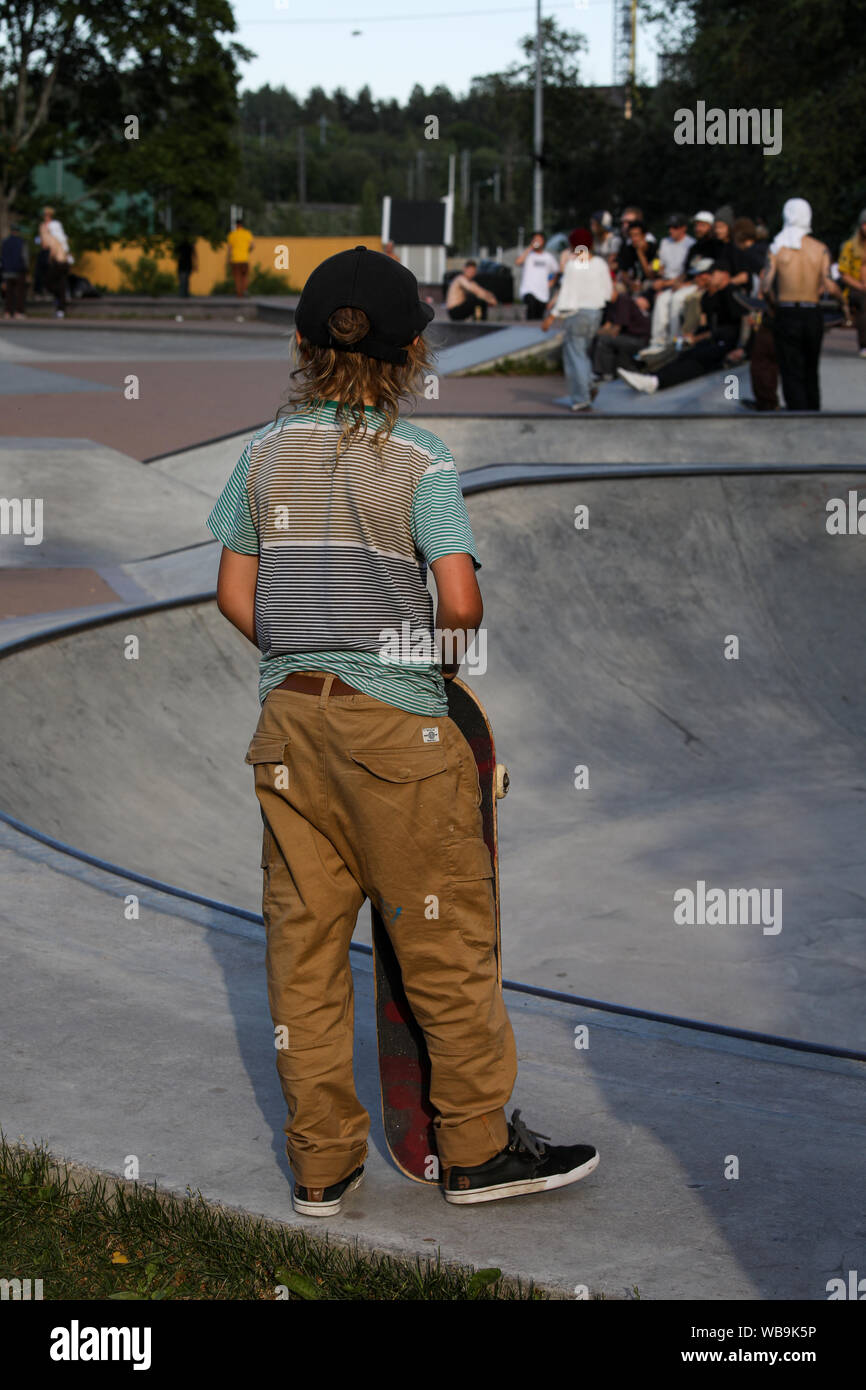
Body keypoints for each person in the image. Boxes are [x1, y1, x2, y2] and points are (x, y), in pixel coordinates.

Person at [206, 246, 599, 1212]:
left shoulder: (258, 455)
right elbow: (459, 602)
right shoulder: (420, 462)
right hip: (400, 737)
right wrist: (399, 647)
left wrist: (312, 648)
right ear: (416, 353)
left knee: (303, 950)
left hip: (289, 726)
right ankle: (474, 1150)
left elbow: (230, 592)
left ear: (301, 343)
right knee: (444, 948)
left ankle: (321, 1166)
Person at [763, 197, 842, 411]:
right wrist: (843, 303)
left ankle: (797, 412)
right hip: (812, 312)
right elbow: (829, 284)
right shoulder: (820, 249)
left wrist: (773, 303)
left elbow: (765, 285)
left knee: (790, 369)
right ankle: (813, 410)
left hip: (786, 311)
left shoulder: (778, 248)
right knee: (810, 367)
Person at [618, 260, 744, 393]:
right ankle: (653, 377)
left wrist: (743, 348)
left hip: (727, 342)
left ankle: (656, 381)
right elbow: (706, 324)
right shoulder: (709, 296)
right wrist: (694, 336)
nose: (710, 277)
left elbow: (743, 322)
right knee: (686, 353)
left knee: (699, 357)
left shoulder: (732, 292)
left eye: (713, 273)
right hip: (715, 338)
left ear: (725, 274)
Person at [541, 227, 614, 412]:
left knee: (574, 355)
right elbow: (608, 294)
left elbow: (567, 293)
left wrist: (552, 316)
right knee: (582, 352)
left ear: (575, 245)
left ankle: (582, 397)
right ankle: (588, 383)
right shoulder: (600, 264)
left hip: (577, 314)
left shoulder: (575, 265)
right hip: (596, 314)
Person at [637, 213, 697, 354]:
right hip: (666, 283)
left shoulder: (690, 244)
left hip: (683, 283)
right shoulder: (665, 242)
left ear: (683, 228)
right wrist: (657, 270)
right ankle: (657, 342)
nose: (671, 231)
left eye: (675, 227)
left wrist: (667, 283)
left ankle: (673, 340)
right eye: (670, 227)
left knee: (675, 302)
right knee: (661, 302)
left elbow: (688, 271)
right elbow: (659, 262)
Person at [592, 287, 650, 378]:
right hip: (627, 336)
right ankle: (598, 372)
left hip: (638, 338)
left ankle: (606, 373)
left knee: (604, 340)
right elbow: (607, 326)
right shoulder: (610, 304)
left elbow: (616, 330)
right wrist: (594, 333)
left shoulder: (623, 300)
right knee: (596, 338)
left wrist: (602, 332)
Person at [837, 209, 866, 357]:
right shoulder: (850, 246)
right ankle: (864, 344)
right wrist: (861, 286)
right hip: (856, 288)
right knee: (863, 300)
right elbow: (844, 274)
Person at [514, 231, 559, 320]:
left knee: (538, 318)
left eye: (539, 240)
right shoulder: (528, 255)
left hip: (542, 293)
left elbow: (556, 271)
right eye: (535, 240)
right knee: (531, 309)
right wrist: (530, 248)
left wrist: (552, 281)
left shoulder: (548, 257)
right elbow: (518, 262)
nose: (537, 242)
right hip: (529, 290)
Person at [38, 205, 72, 317]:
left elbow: (49, 247)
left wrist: (48, 260)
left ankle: (60, 303)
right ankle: (60, 308)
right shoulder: (58, 234)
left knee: (49, 283)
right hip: (63, 262)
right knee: (60, 285)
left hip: (58, 263)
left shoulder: (51, 232)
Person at [1, 222, 29, 319]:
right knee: (20, 293)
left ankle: (8, 312)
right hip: (19, 270)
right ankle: (18, 312)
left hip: (7, 270)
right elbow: (25, 257)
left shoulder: (5, 242)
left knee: (8, 293)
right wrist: (26, 269)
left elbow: (2, 257)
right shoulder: (22, 242)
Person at [227, 217, 254, 297]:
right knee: (245, 276)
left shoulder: (232, 235)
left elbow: (229, 248)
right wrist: (247, 251)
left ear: (236, 225)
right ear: (242, 224)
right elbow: (252, 245)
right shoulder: (247, 233)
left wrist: (228, 258)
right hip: (244, 259)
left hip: (235, 259)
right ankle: (245, 290)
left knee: (237, 277)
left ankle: (239, 293)